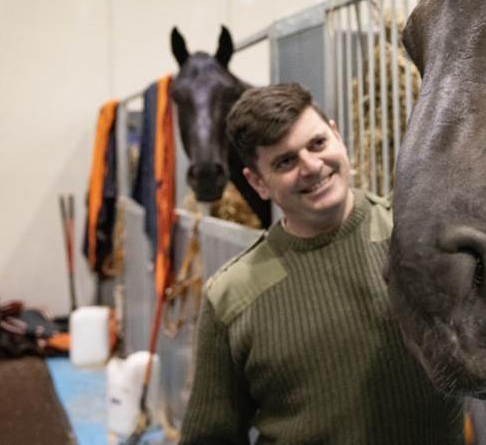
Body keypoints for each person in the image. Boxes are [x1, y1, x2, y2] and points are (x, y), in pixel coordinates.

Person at [179, 83, 465, 445]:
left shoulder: (418, 237)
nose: (312, 167)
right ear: (257, 183)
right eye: (285, 161)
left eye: (317, 144)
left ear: (337, 136)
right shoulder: (232, 296)